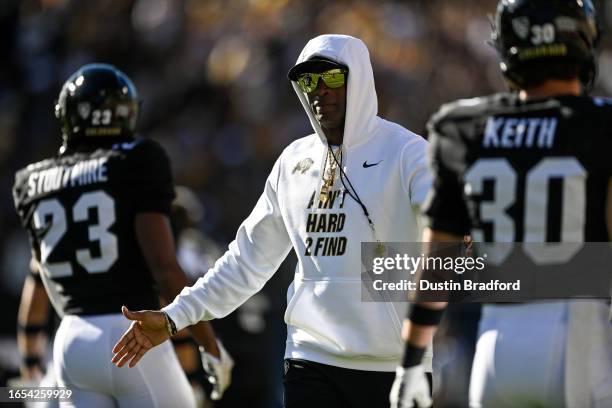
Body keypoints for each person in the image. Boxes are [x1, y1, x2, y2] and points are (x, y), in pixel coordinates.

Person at [111, 34, 431, 407]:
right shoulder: (294, 162)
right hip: (310, 360)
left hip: (394, 366)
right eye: (308, 80)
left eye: (331, 79)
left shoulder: (407, 152)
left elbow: (452, 241)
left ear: (358, 79)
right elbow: (245, 263)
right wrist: (172, 317)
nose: (318, 91)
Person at [390, 1, 612, 407]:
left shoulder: (465, 127)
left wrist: (412, 361)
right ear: (580, 40)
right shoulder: (600, 124)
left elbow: (438, 262)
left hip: (495, 345)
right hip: (580, 341)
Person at [12, 63, 232, 407]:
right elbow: (164, 269)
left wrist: (29, 364)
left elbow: (40, 282)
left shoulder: (32, 180)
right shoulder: (138, 160)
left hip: (71, 340)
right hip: (133, 332)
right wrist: (211, 346)